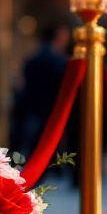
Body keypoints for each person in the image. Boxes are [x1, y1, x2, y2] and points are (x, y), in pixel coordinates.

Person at [15, 25, 70, 158]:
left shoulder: (34, 58)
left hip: (32, 109)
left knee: (33, 149)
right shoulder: (60, 61)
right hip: (52, 111)